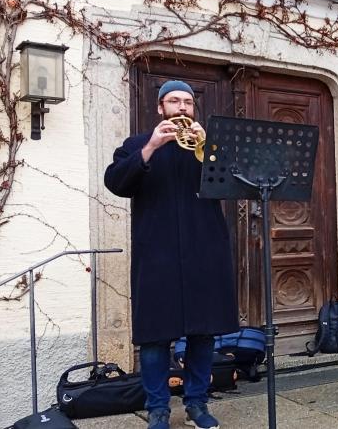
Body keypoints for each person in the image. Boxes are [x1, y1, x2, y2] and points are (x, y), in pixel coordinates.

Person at [104, 80, 238, 429]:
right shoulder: (136, 145)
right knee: (154, 336)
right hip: (157, 253)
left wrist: (212, 149)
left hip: (203, 250)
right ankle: (158, 409)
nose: (182, 108)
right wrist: (151, 146)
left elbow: (235, 182)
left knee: (203, 333)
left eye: (188, 103)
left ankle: (197, 404)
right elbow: (116, 182)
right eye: (174, 101)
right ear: (160, 107)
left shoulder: (207, 145)